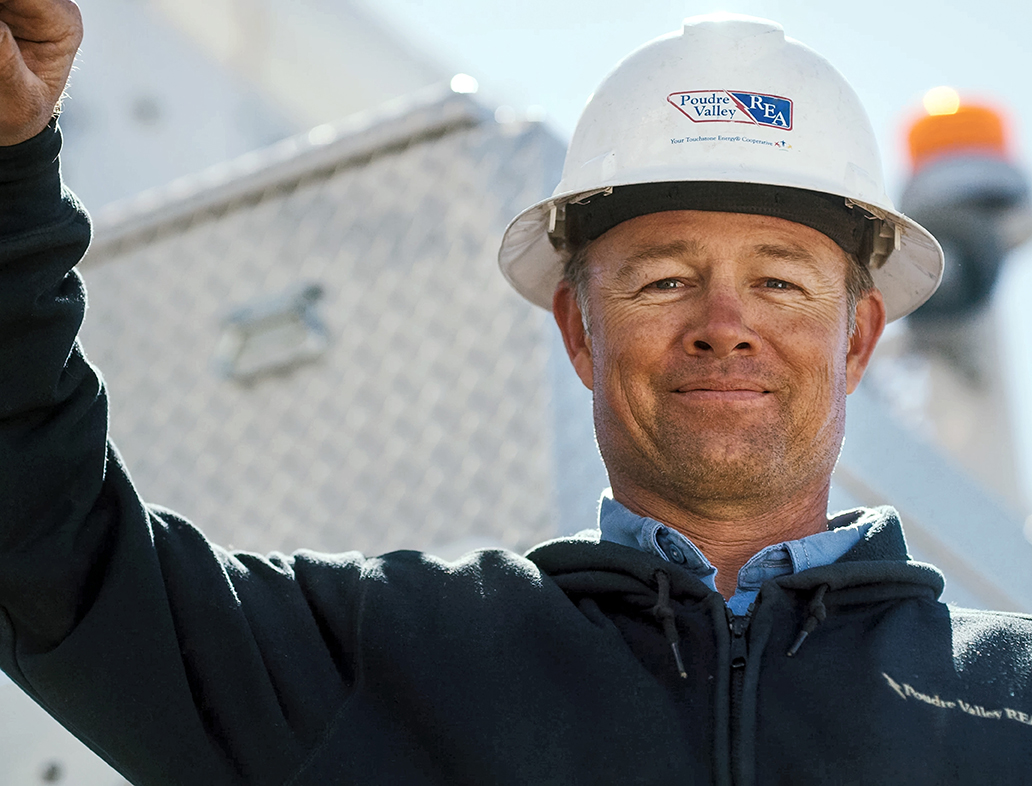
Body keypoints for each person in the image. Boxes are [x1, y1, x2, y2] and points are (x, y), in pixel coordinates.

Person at [2, 2, 1031, 784]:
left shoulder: (1013, 701)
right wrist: (8, 170)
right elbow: (47, 549)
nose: (725, 321)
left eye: (778, 280)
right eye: (665, 279)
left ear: (856, 337)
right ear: (581, 330)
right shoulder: (389, 653)